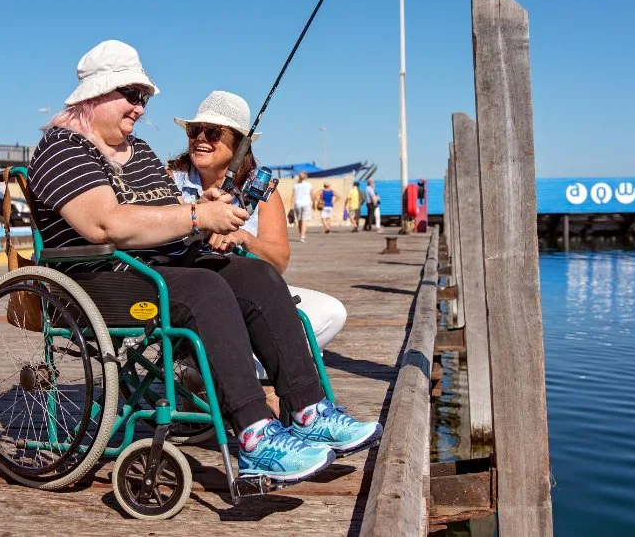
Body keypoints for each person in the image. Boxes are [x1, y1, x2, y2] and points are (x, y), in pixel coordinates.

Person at [28, 41, 380, 483]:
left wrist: (203, 208)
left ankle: (308, 410)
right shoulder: (63, 149)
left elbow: (167, 210)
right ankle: (254, 435)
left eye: (145, 98)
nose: (140, 107)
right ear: (95, 96)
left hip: (158, 268)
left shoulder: (138, 152)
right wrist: (196, 214)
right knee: (205, 289)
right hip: (107, 281)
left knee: (257, 275)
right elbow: (104, 225)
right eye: (132, 95)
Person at [168, 90, 349, 355]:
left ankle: (251, 371)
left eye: (214, 132)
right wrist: (200, 216)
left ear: (240, 144)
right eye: (195, 130)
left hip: (251, 293)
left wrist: (244, 238)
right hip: (194, 296)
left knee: (332, 313)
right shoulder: (169, 179)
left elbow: (279, 262)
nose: (201, 139)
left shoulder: (262, 191)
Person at [291, 171, 313, 243]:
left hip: (297, 204)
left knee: (300, 220)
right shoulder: (309, 184)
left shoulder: (296, 185)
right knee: (304, 220)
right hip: (306, 204)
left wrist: (292, 206)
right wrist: (314, 203)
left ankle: (301, 235)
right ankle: (302, 236)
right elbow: (312, 195)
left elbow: (293, 196)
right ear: (306, 177)